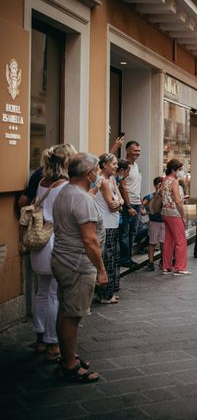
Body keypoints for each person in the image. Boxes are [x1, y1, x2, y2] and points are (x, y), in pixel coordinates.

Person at [52, 153, 106, 383]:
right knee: (72, 316)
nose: (98, 174)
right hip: (77, 264)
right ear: (88, 174)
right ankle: (70, 365)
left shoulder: (64, 191)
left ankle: (67, 354)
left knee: (64, 311)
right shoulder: (81, 198)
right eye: (96, 170)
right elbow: (90, 240)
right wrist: (102, 270)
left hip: (62, 259)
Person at [28, 144, 75, 361]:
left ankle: (39, 339)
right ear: (66, 162)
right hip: (55, 241)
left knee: (41, 291)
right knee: (55, 294)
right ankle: (52, 343)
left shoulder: (41, 182)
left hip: (39, 241)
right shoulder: (64, 185)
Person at [94, 153, 124, 304]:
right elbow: (112, 207)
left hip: (112, 223)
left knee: (111, 258)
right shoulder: (104, 181)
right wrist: (119, 203)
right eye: (113, 164)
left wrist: (118, 202)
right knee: (108, 259)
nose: (116, 166)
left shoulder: (111, 179)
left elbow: (119, 201)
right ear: (104, 165)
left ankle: (108, 293)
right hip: (106, 225)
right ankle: (105, 295)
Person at [161, 160, 190, 275]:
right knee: (181, 240)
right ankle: (179, 267)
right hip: (174, 213)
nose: (181, 172)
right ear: (174, 170)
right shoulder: (175, 181)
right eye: (179, 169)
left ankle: (166, 266)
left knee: (168, 239)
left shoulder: (164, 180)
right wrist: (183, 216)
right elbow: (178, 201)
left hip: (165, 212)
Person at [117, 141, 142, 269]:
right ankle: (124, 259)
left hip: (137, 203)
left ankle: (128, 257)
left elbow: (136, 186)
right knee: (125, 232)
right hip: (129, 204)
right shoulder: (124, 166)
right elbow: (123, 187)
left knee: (133, 232)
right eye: (135, 150)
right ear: (128, 151)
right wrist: (128, 206)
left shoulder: (136, 165)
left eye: (138, 150)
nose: (138, 152)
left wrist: (140, 204)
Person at [141, 177, 165, 271]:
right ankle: (150, 262)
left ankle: (163, 260)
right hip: (154, 221)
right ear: (155, 186)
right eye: (159, 185)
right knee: (152, 242)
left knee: (163, 242)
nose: (160, 187)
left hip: (164, 221)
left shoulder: (166, 196)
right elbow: (143, 207)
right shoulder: (150, 196)